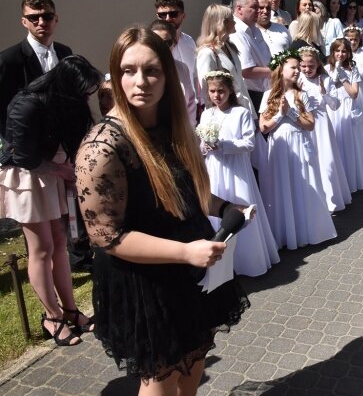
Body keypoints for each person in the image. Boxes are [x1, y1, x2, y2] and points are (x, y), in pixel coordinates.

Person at [75, 27, 249, 393]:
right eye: (128, 70)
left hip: (190, 271)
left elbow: (186, 191)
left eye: (152, 70)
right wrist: (186, 252)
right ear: (114, 74)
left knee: (193, 365)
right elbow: (108, 237)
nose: (141, 81)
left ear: (168, 75)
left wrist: (222, 206)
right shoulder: (102, 147)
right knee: (162, 379)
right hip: (146, 280)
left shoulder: (173, 127)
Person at [0, 55, 102, 346]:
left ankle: (70, 310)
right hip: (27, 178)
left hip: (53, 173)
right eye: (84, 91)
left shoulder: (63, 102)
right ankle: (51, 317)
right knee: (41, 248)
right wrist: (62, 170)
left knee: (59, 242)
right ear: (67, 85)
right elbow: (23, 156)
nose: (86, 98)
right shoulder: (27, 103)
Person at [198, 70, 279, 276]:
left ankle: (248, 259)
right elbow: (200, 144)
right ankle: (223, 262)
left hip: (236, 169)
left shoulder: (241, 113)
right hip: (215, 168)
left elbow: (249, 143)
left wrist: (223, 145)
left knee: (240, 204)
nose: (217, 95)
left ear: (230, 90)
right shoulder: (207, 114)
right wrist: (206, 147)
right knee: (218, 206)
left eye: (221, 91)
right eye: (213, 91)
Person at [258, 49, 336, 250]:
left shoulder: (302, 94)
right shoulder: (268, 95)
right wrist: (279, 115)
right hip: (280, 147)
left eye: (298, 68)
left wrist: (291, 114)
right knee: (283, 185)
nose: (297, 71)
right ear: (281, 69)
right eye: (293, 67)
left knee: (302, 185)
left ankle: (306, 229)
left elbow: (310, 124)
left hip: (299, 144)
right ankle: (286, 232)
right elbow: (263, 127)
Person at [0, 0, 72, 137]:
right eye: (33, 18)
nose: (41, 22)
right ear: (24, 22)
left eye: (47, 16)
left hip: (63, 141)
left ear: (56, 19)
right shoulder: (8, 59)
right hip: (27, 144)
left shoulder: (65, 52)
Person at [297, 48, 352, 212]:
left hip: (322, 126)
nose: (307, 70)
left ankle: (332, 200)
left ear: (318, 64)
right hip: (305, 126)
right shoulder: (298, 80)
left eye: (311, 66)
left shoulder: (325, 79)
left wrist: (324, 92)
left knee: (327, 162)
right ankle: (314, 202)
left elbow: (335, 105)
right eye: (304, 66)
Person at [324, 38, 363, 192]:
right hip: (333, 110)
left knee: (350, 144)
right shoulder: (326, 69)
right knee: (336, 144)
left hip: (348, 109)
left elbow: (354, 93)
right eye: (337, 51)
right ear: (332, 52)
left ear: (348, 53)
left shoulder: (352, 69)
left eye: (344, 51)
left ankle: (352, 179)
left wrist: (343, 78)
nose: (340, 54)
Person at [195, 4, 254, 118]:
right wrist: (213, 119)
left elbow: (240, 84)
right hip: (224, 114)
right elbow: (206, 91)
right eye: (232, 19)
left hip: (243, 110)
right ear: (223, 23)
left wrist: (253, 116)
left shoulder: (230, 47)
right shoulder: (207, 53)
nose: (235, 22)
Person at [154, 0, 198, 125]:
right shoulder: (151, 44)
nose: (167, 19)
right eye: (162, 15)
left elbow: (194, 74)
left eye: (173, 14)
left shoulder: (189, 41)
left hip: (191, 109)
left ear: (183, 15)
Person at [229, 0, 270, 112]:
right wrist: (277, 71)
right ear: (239, 9)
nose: (259, 11)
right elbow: (246, 71)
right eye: (254, 7)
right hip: (251, 95)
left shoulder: (255, 29)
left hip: (264, 91)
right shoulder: (236, 32)